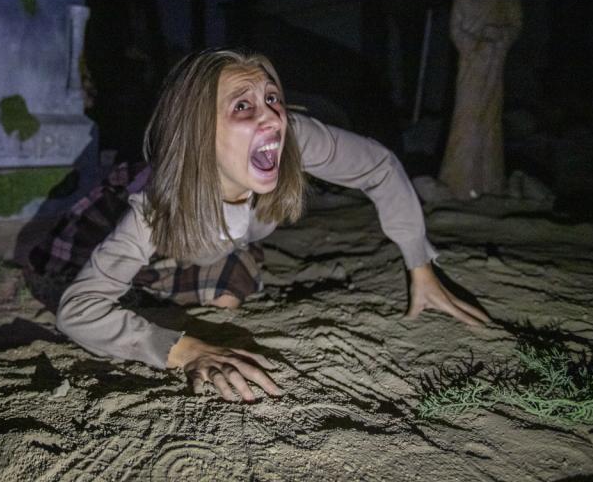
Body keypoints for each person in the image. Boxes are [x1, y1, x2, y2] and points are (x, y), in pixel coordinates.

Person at [28, 48, 489, 403]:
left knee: (232, 295)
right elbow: (80, 310)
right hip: (143, 222)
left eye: (272, 98)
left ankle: (181, 277)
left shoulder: (293, 141)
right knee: (66, 279)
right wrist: (185, 350)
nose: (272, 116)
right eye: (243, 107)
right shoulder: (155, 206)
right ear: (199, 132)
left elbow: (380, 167)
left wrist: (419, 263)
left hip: (217, 243)